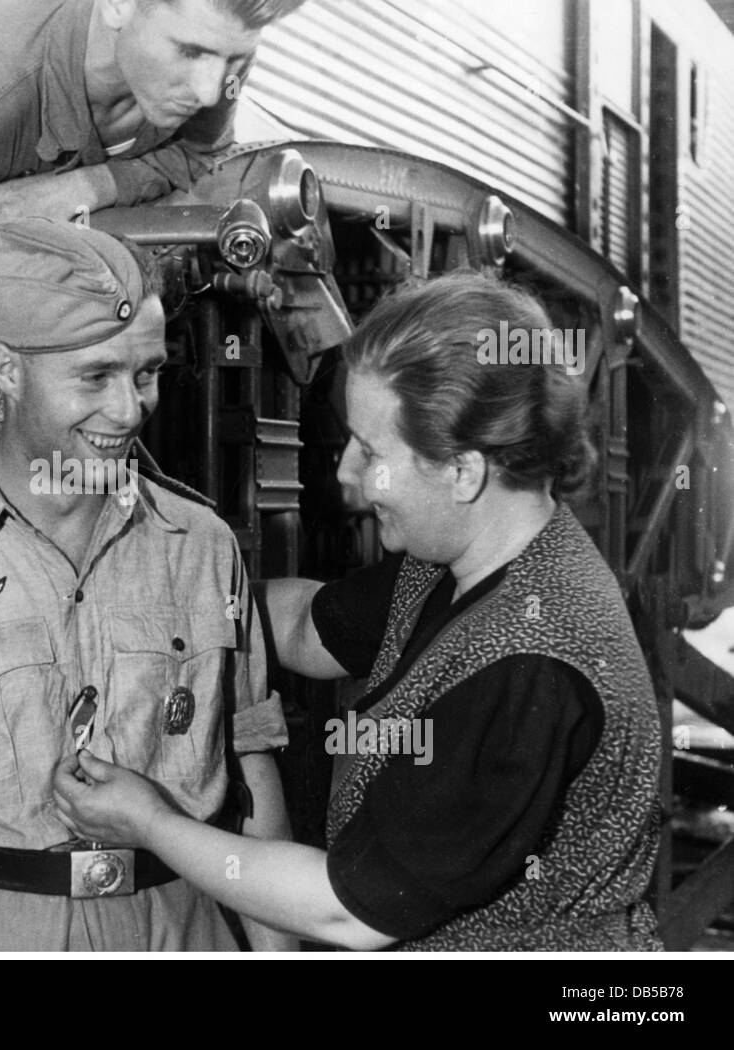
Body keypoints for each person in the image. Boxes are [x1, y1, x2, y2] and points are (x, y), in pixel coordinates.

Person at [54, 270, 665, 951]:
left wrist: (151, 822)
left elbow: (350, 911)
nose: (345, 474)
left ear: (463, 472)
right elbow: (301, 627)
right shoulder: (461, 563)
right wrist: (179, 576)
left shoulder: (533, 663)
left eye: (371, 452)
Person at [0, 218, 293, 950]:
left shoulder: (202, 545)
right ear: (7, 369)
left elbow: (250, 771)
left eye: (147, 372)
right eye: (94, 376)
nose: (130, 411)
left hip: (182, 925)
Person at [0, 0, 304, 343]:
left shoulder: (216, 40)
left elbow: (196, 153)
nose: (210, 92)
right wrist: (34, 253)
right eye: (189, 52)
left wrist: (83, 187)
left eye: (236, 58)